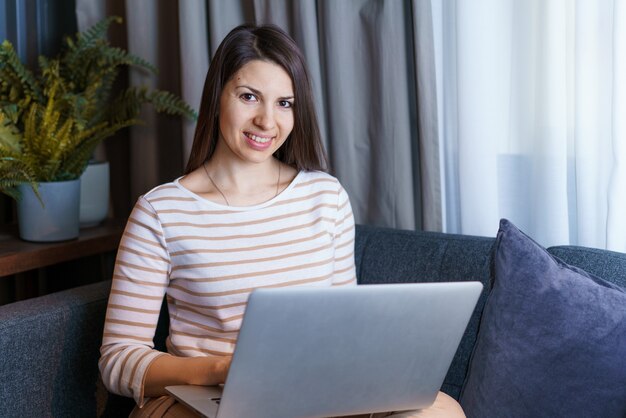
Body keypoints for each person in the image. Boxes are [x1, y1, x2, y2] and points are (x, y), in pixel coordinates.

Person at [98, 24, 465, 418]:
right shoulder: (161, 212)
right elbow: (118, 358)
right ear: (217, 96)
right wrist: (219, 370)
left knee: (439, 411)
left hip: (314, 394)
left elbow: (344, 326)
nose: (266, 121)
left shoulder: (325, 196)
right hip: (202, 401)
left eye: (284, 103)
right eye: (249, 97)